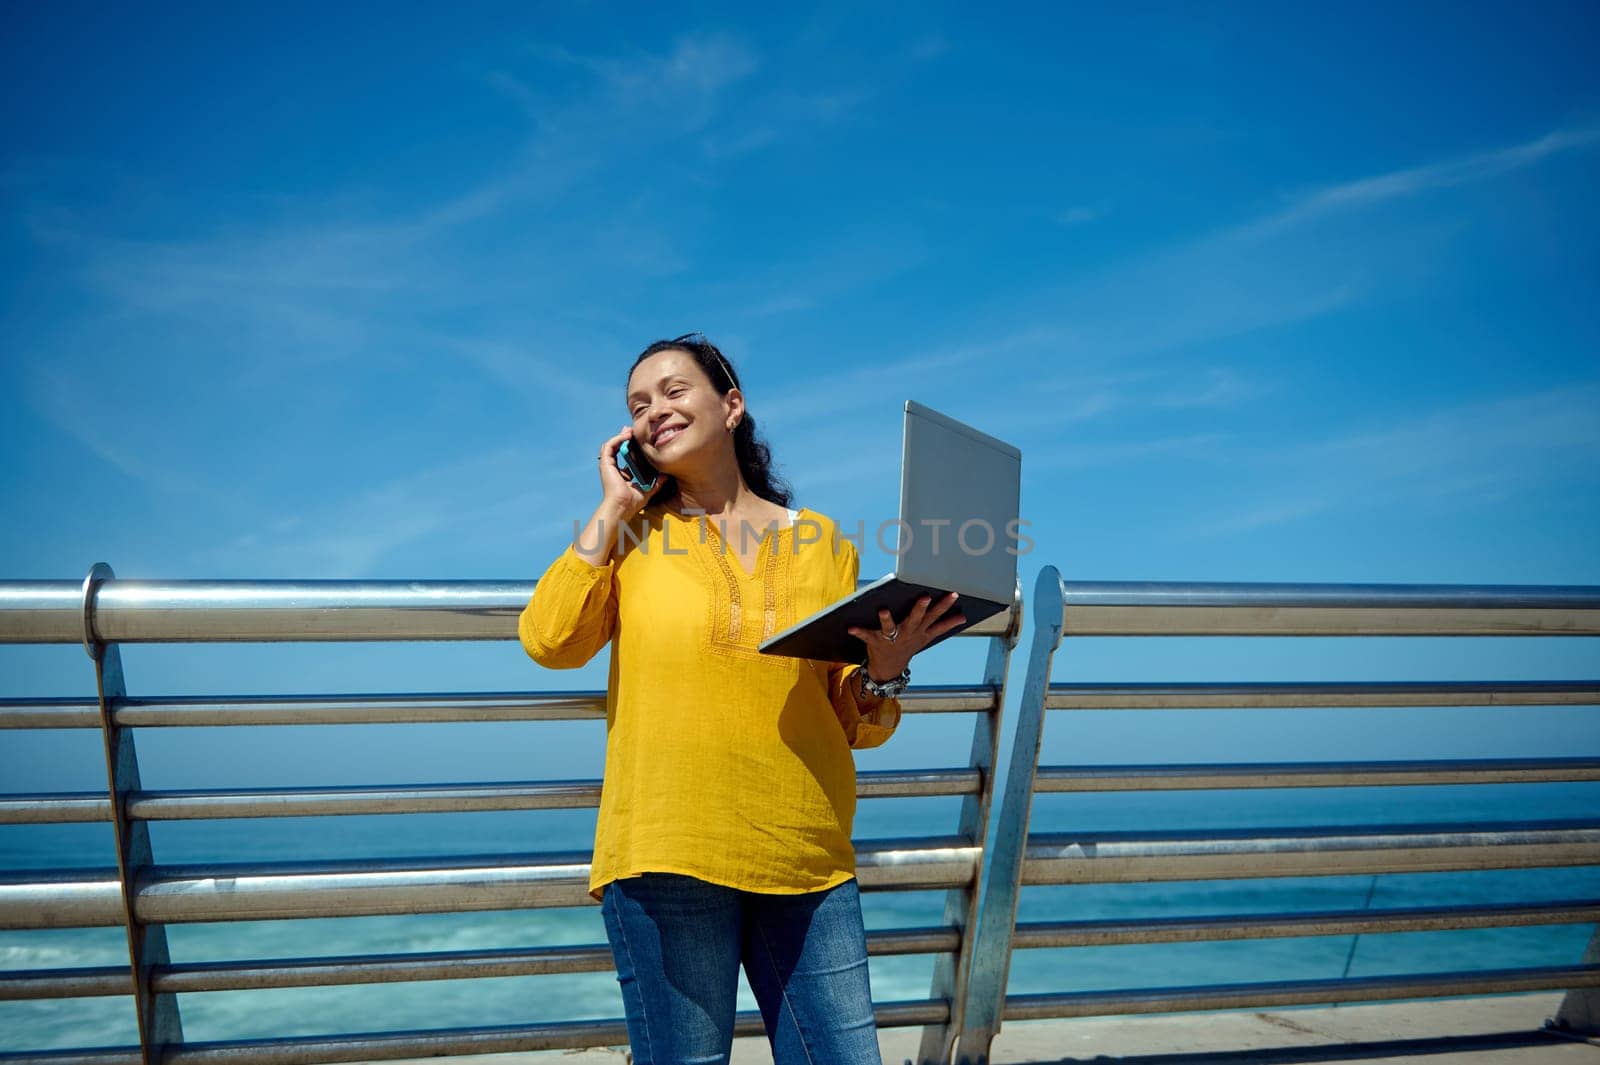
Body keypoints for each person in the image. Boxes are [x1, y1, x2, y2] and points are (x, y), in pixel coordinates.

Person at [518, 333, 964, 1064]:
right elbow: (549, 639)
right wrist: (614, 503)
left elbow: (848, 715)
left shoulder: (824, 543)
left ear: (731, 405)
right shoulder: (630, 535)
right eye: (637, 406)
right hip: (668, 850)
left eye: (672, 390)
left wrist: (884, 669)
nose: (652, 411)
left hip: (806, 855)